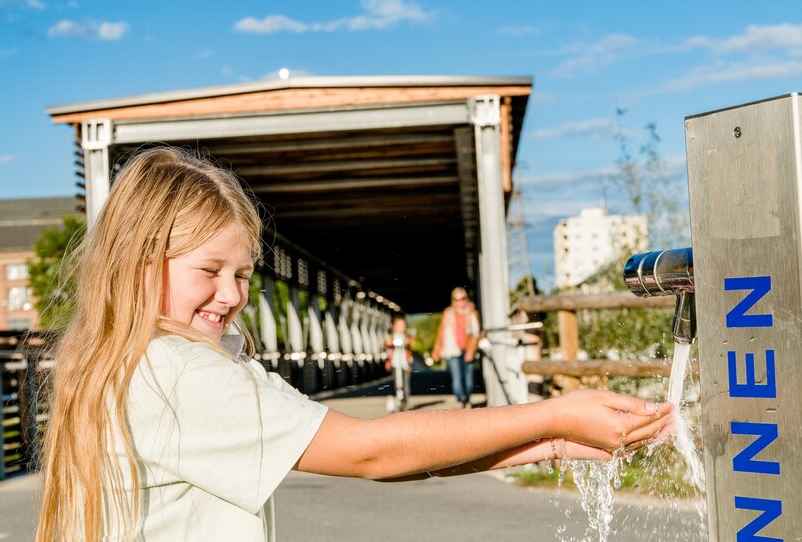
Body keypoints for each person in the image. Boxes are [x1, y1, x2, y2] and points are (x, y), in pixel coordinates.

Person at [35, 148, 673, 542]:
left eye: (243, 275)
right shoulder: (173, 373)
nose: (230, 295)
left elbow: (385, 456)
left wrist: (549, 443)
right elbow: (371, 450)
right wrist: (552, 412)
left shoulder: (129, 363)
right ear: (141, 261)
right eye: (209, 271)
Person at [432, 287, 481, 408]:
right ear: (453, 301)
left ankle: (467, 398)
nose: (460, 302)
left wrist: (471, 351)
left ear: (467, 299)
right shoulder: (447, 313)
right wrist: (437, 350)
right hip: (453, 349)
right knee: (456, 378)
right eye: (457, 299)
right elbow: (441, 332)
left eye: (463, 298)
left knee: (469, 379)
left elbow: (477, 333)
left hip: (468, 349)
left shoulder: (473, 312)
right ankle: (460, 400)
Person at [384, 314, 413, 413]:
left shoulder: (407, 337)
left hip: (405, 364)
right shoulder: (391, 337)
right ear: (394, 326)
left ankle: (406, 402)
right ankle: (398, 400)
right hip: (395, 363)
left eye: (402, 325)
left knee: (406, 384)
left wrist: (408, 342)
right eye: (398, 325)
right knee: (397, 383)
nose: (400, 328)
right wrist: (388, 343)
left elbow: (411, 349)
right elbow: (387, 347)